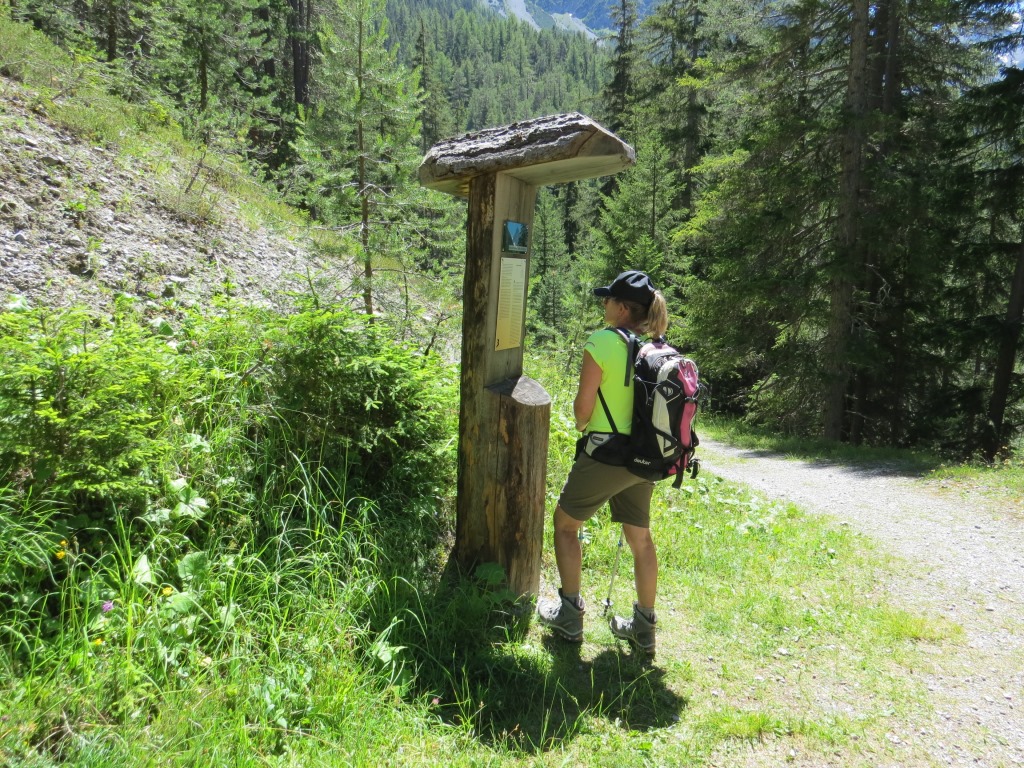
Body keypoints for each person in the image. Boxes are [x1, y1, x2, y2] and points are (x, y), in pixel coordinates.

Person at [536, 269, 669, 655]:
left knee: (565, 526)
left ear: (622, 307)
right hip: (644, 457)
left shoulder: (602, 341)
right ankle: (644, 628)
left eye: (608, 298)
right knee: (640, 539)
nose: (604, 303)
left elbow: (583, 410)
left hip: (607, 456)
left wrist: (582, 424)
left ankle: (569, 615)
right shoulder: (650, 348)